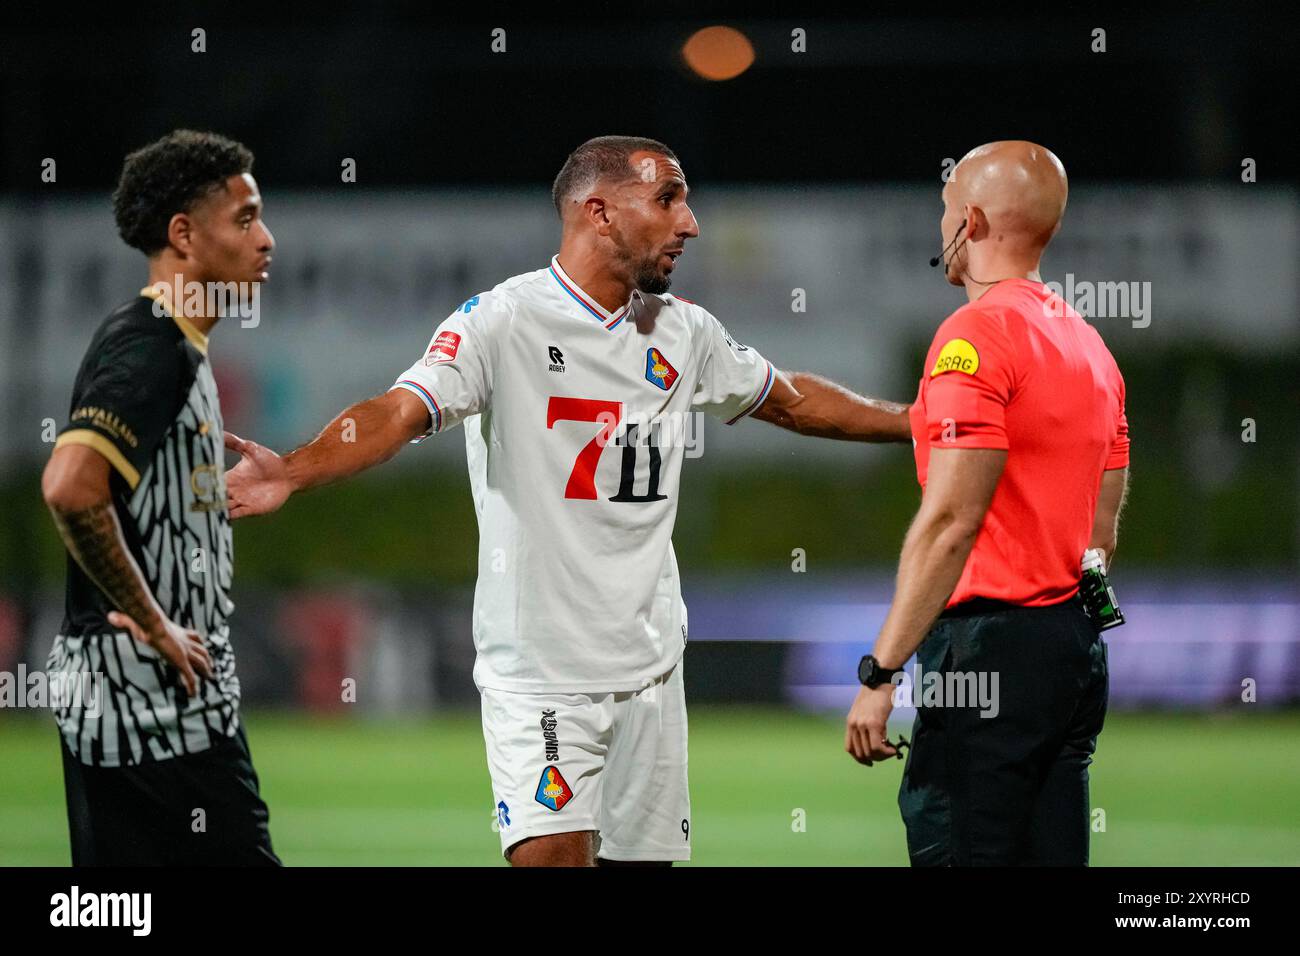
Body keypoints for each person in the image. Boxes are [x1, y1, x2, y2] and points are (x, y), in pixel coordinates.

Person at [225, 135, 912, 867]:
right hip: (542, 674)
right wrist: (293, 471)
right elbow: (398, 412)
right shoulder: (500, 320)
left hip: (650, 669)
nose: (691, 224)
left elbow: (791, 399)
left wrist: (919, 420)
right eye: (669, 198)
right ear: (600, 212)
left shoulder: (683, 331)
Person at [844, 141, 1130, 866]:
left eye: (945, 211)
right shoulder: (1089, 344)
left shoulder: (974, 334)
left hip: (988, 653)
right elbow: (1101, 531)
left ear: (969, 221)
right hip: (1071, 648)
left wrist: (882, 672)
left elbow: (950, 522)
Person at [42, 130, 280, 865]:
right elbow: (70, 486)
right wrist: (154, 622)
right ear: (183, 234)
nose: (267, 240)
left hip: (156, 704)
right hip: (153, 709)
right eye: (245, 219)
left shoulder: (181, 345)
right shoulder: (150, 346)